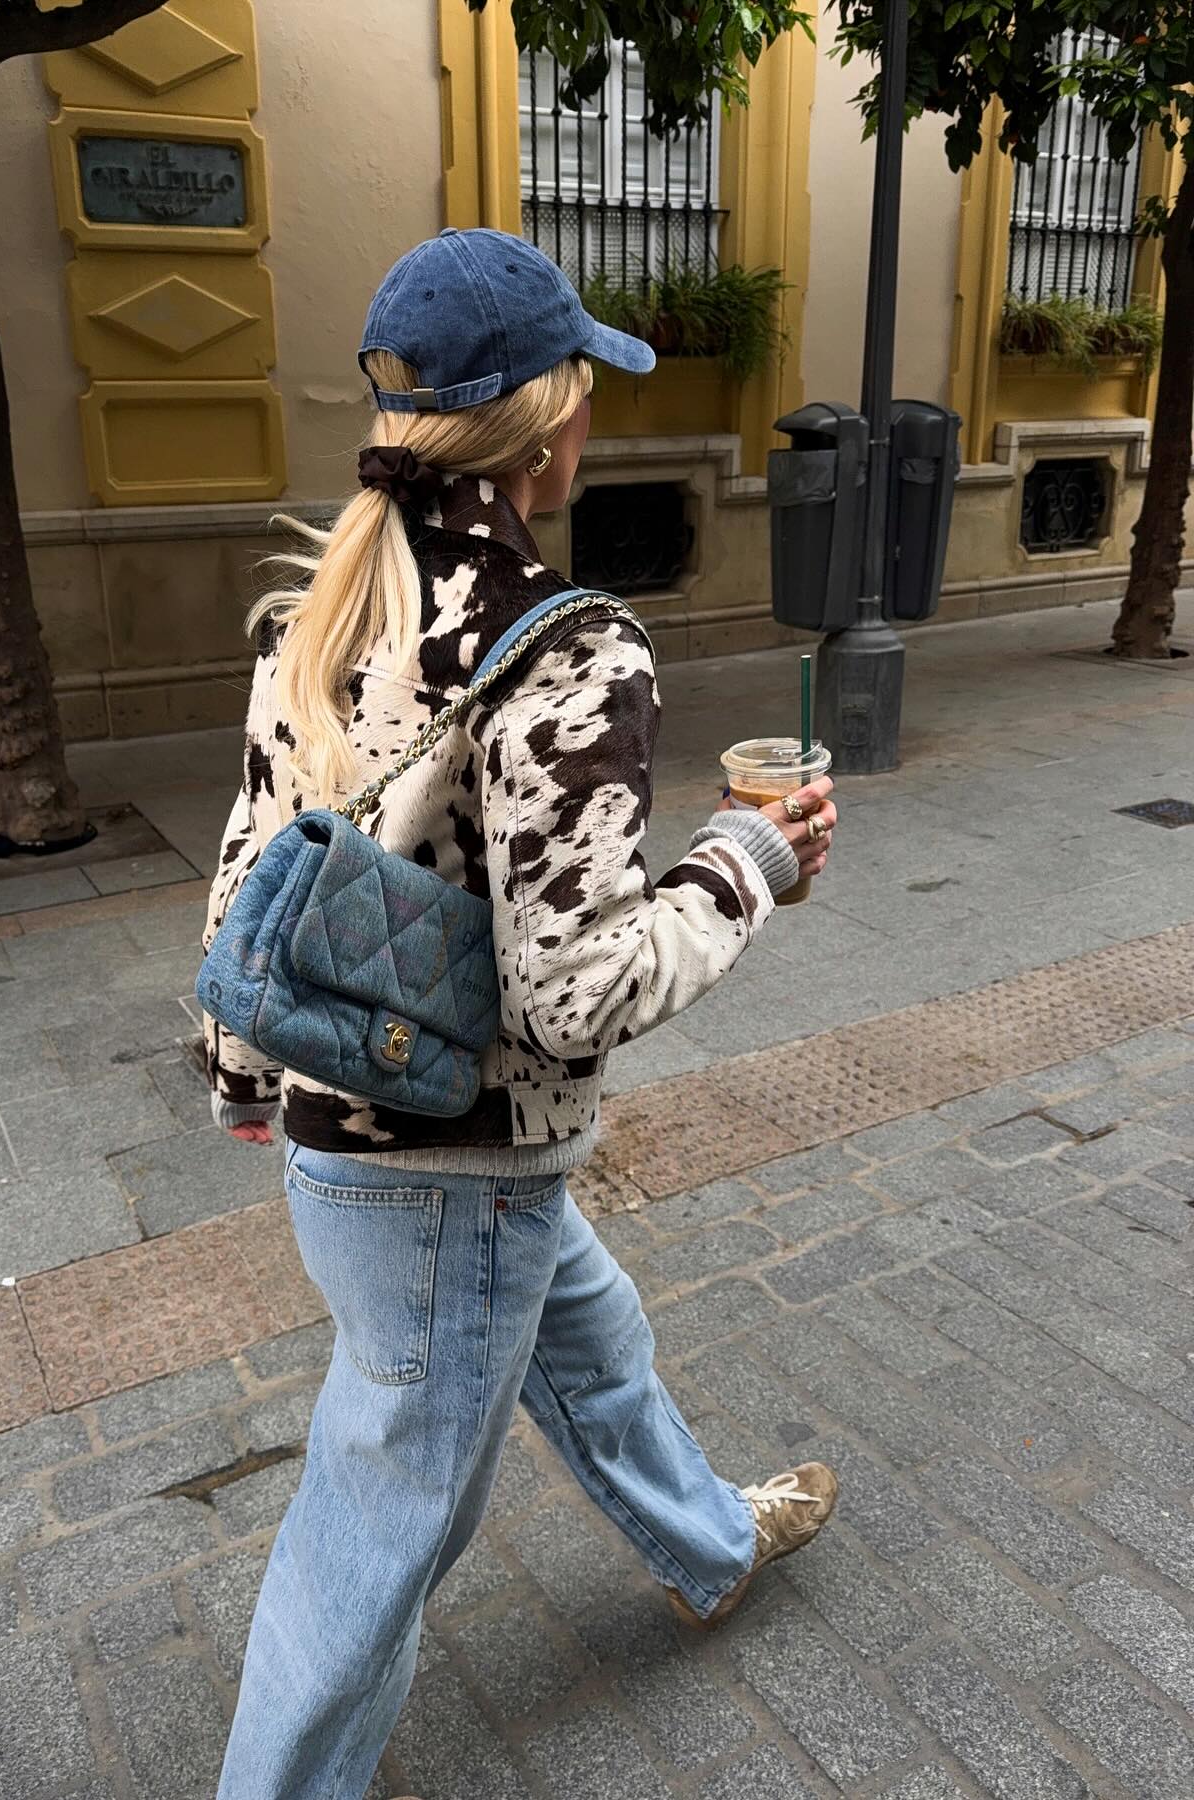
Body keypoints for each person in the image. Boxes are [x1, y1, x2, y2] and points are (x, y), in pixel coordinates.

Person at [203, 228, 840, 1800]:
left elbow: (248, 864)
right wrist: (747, 863)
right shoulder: (571, 648)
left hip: (347, 1135)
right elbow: (575, 1000)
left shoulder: (322, 609)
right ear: (546, 425)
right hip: (455, 1174)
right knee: (375, 1534)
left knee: (596, 1342)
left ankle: (708, 1546)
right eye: (585, 388)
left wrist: (241, 1068)